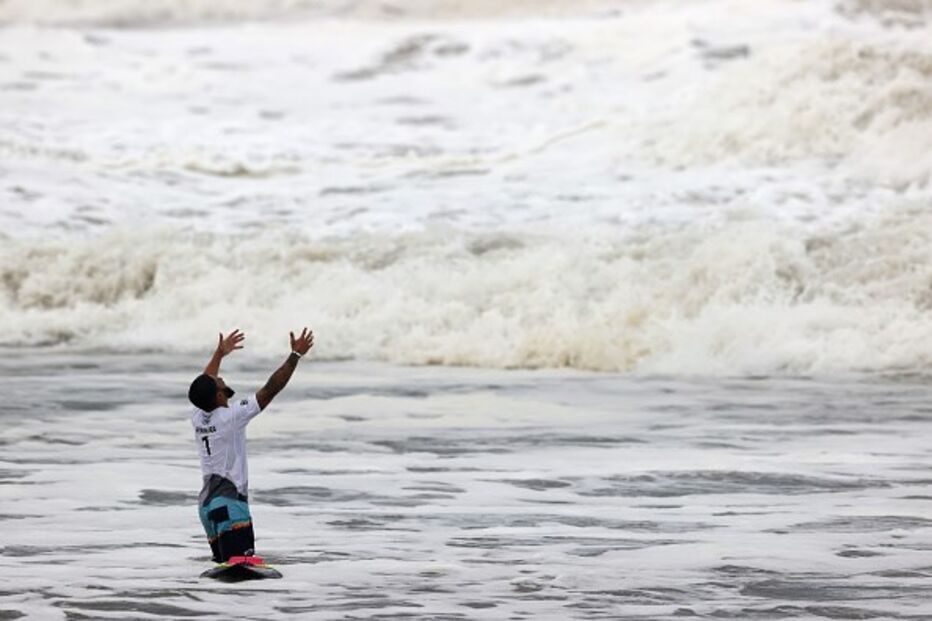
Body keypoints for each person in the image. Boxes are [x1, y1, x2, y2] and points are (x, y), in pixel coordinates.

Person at [187, 327, 314, 562]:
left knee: (225, 573)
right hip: (229, 504)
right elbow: (270, 389)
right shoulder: (231, 417)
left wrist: (219, 355)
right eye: (217, 381)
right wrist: (295, 356)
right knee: (240, 573)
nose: (218, 376)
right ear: (218, 396)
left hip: (206, 507)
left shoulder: (198, 415)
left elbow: (202, 387)